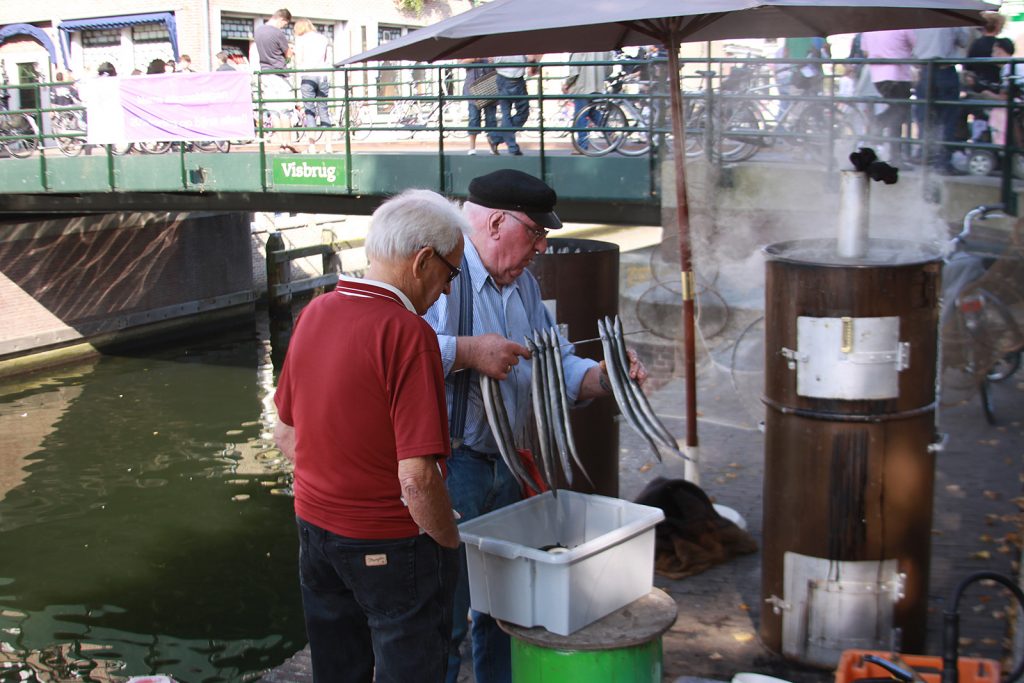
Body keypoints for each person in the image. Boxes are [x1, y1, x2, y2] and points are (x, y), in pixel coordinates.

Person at [423, 169, 648, 683]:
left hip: (509, 465)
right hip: (451, 467)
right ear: (497, 222)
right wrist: (467, 350)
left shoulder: (522, 285)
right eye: (536, 233)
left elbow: (557, 364)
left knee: (508, 610)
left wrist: (603, 377)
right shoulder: (440, 273)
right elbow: (396, 352)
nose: (543, 248)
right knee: (444, 613)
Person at [274, 188, 465, 683]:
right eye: (450, 273)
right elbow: (417, 480)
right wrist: (448, 541)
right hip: (389, 545)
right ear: (424, 260)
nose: (446, 290)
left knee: (337, 666)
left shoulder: (316, 311)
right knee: (412, 664)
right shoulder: (407, 333)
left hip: (314, 534)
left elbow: (286, 433)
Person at [912, 26, 972, 173]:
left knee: (925, 116)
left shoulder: (920, 17)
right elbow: (964, 41)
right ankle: (942, 161)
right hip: (945, 69)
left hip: (925, 70)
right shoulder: (951, 16)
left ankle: (925, 155)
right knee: (948, 118)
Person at [860, 30, 916, 163]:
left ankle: (894, 154)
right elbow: (915, 45)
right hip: (899, 76)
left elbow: (866, 52)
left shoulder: (869, 30)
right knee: (899, 112)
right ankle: (879, 124)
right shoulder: (903, 27)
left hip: (878, 77)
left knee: (897, 111)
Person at [254, 8, 297, 153]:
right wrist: (290, 55)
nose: (283, 27)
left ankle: (281, 143)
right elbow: (287, 54)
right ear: (282, 19)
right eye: (284, 24)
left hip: (265, 73)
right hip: (280, 73)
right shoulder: (277, 33)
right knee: (285, 109)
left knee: (274, 110)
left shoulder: (258, 31)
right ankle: (288, 142)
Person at [293, 18, 333, 154]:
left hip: (308, 76)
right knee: (324, 110)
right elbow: (327, 59)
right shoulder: (323, 38)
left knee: (310, 111)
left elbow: (299, 60)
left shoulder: (301, 40)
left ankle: (312, 146)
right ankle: (328, 145)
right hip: (323, 75)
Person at [487, 55, 539, 156]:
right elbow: (531, 59)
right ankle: (509, 146)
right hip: (517, 80)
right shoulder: (520, 42)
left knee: (506, 113)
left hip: (502, 78)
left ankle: (497, 138)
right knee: (523, 113)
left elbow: (491, 60)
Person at [562, 51, 613, 154]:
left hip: (582, 87)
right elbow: (609, 70)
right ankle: (609, 131)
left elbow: (574, 71)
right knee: (592, 112)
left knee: (580, 116)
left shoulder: (581, 47)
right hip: (598, 86)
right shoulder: (606, 48)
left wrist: (566, 84)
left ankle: (582, 146)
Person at [460, 57, 497, 155]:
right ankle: (472, 148)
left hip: (490, 88)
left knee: (491, 119)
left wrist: (494, 61)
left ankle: (493, 147)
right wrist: (474, 59)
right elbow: (461, 63)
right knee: (474, 118)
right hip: (473, 89)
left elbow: (500, 65)